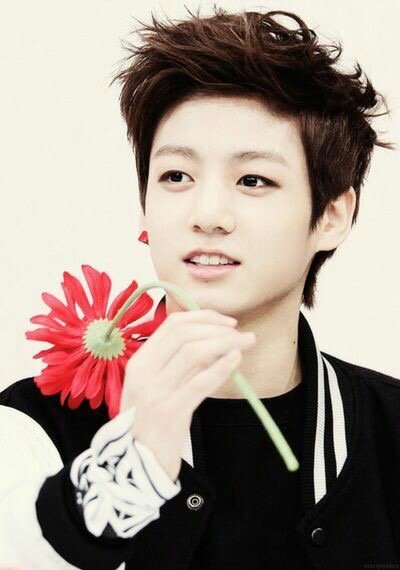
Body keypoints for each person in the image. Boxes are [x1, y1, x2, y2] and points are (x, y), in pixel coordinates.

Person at [0, 5, 398, 570]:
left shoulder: (389, 430)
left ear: (332, 216)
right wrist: (127, 471)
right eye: (176, 176)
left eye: (253, 179)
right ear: (144, 205)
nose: (207, 215)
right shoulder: (33, 425)